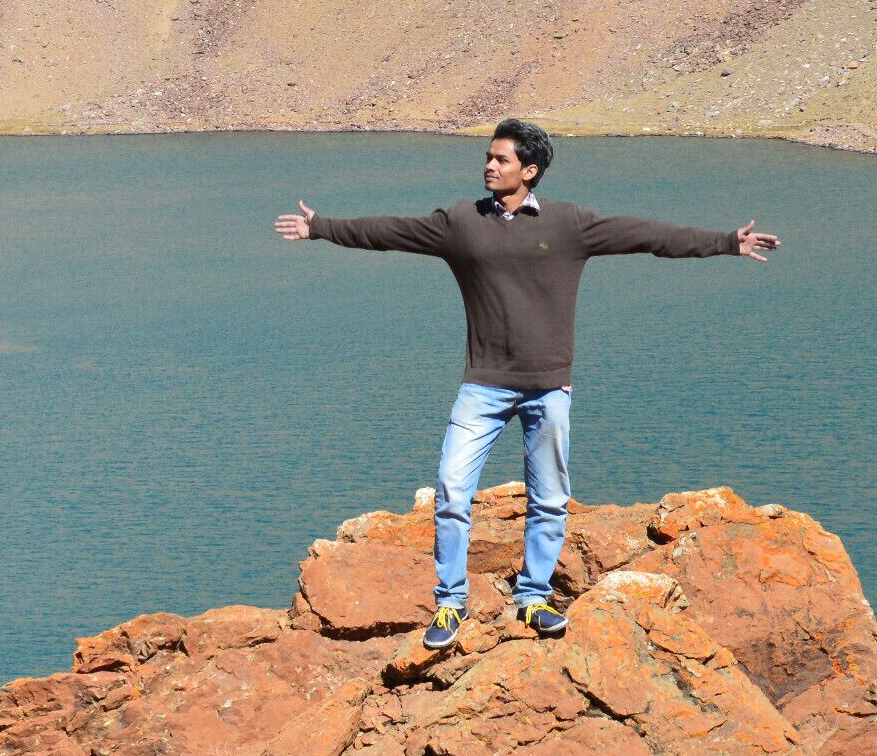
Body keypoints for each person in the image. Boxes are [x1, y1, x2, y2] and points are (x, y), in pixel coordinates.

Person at [273, 119, 777, 649]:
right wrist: (322, 227)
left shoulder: (569, 225)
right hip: (483, 385)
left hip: (548, 386)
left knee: (550, 498)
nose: (489, 166)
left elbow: (648, 236)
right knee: (451, 489)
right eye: (488, 158)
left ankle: (533, 598)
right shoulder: (459, 223)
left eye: (502, 159)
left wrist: (725, 242)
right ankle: (450, 604)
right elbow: (388, 232)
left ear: (529, 171)